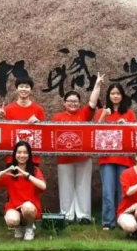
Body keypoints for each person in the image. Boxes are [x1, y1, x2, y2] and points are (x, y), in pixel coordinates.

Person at [51, 74, 104, 224]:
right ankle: (66, 215)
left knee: (83, 185)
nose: (73, 103)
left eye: (75, 101)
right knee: (65, 186)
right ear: (64, 103)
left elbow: (92, 102)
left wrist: (97, 85)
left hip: (83, 157)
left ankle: (83, 216)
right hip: (64, 158)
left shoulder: (84, 114)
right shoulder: (57, 117)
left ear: (80, 104)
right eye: (70, 101)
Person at [96, 82, 137, 230]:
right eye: (112, 93)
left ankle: (123, 219)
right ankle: (108, 221)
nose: (115, 96)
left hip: (124, 158)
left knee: (123, 191)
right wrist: (103, 116)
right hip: (107, 158)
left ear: (122, 96)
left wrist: (126, 125)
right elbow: (95, 132)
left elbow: (135, 134)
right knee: (108, 191)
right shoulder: (102, 112)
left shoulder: (129, 113)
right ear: (108, 95)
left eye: (118, 93)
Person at [0, 141, 46, 241]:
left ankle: (29, 228)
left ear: (29, 155)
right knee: (11, 220)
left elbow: (43, 186)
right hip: (14, 206)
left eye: (25, 152)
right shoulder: (10, 172)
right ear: (15, 154)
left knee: (27, 207)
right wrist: (2, 172)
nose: (22, 155)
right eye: (19, 152)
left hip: (30, 207)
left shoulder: (35, 170)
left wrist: (26, 174)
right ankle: (19, 226)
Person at [1, 78, 45, 165]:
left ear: (31, 90)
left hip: (32, 156)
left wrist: (39, 123)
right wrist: (1, 118)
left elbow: (44, 133)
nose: (24, 89)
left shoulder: (38, 109)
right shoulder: (8, 109)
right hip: (13, 156)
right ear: (17, 89)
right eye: (21, 86)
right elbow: (5, 134)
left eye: (27, 87)